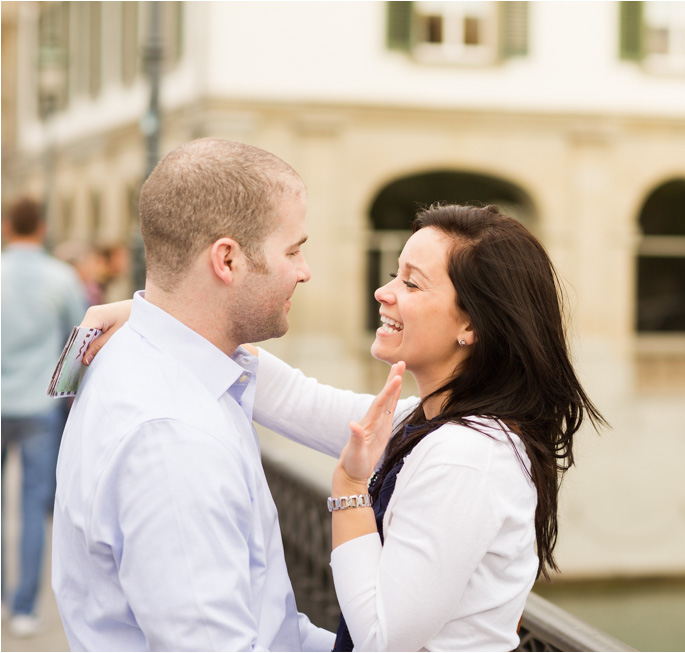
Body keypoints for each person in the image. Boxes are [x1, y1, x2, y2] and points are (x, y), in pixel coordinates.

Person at [81, 202, 606, 650]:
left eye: (411, 283)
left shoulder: (467, 456)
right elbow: (294, 398)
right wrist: (163, 315)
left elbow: (381, 638)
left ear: (472, 323)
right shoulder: (426, 423)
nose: (384, 291)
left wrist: (350, 491)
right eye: (395, 273)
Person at [51, 138, 352, 650]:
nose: (305, 270)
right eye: (294, 250)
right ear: (227, 260)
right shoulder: (173, 439)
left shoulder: (168, 367)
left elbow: (268, 631)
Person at [1, 197, 88, 637]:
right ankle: (23, 608)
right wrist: (70, 395)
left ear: (5, 227)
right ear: (42, 227)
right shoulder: (61, 277)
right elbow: (79, 341)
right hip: (39, 404)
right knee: (33, 505)